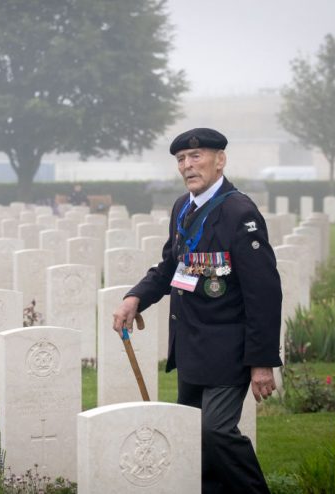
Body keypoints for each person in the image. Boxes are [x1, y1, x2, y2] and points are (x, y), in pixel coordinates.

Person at [112, 128, 282, 494]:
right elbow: (170, 266)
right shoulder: (182, 208)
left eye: (196, 157)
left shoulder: (240, 212)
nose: (188, 166)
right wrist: (135, 298)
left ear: (220, 160)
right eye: (181, 160)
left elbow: (264, 293)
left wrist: (262, 361)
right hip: (190, 347)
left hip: (228, 351)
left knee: (216, 431)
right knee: (193, 439)